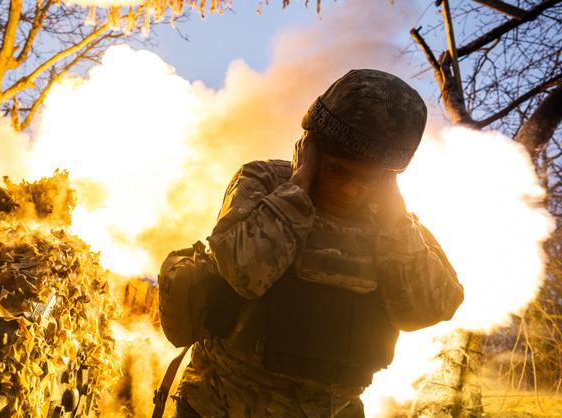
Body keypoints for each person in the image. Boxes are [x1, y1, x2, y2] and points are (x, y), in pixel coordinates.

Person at [172, 69, 465, 418]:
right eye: (337, 170)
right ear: (309, 148)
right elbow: (243, 270)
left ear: (388, 177)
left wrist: (395, 220)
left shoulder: (393, 223)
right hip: (221, 405)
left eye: (368, 178)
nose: (351, 189)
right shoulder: (264, 182)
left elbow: (429, 309)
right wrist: (297, 189)